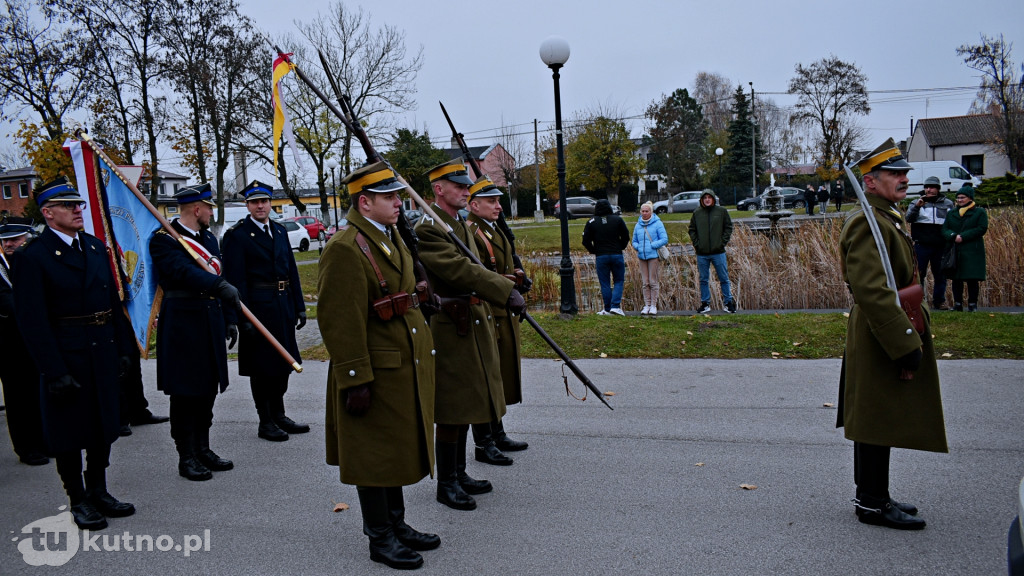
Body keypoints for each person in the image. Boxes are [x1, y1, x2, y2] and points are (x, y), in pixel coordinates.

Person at [319, 162, 439, 570]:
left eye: (398, 195)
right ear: (364, 201)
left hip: (397, 364)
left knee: (391, 450)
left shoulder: (385, 235)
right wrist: (355, 379)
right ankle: (380, 538)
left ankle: (397, 524)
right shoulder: (346, 246)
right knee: (372, 455)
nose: (398, 202)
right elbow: (339, 319)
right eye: (389, 197)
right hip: (371, 370)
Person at [13, 177, 137, 530]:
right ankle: (78, 498)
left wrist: (124, 348)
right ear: (48, 213)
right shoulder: (33, 257)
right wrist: (53, 370)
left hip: (102, 350)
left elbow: (113, 304)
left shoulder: (96, 248)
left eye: (78, 204)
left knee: (102, 426)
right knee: (69, 431)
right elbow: (32, 321)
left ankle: (99, 489)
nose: (77, 210)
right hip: (67, 354)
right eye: (68, 206)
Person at [836, 139, 947, 531]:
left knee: (876, 416)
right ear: (870, 183)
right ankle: (871, 502)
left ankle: (874, 495)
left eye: (904, 172)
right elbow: (872, 290)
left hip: (886, 328)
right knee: (875, 417)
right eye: (894, 174)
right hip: (880, 332)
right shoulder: (869, 222)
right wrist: (904, 341)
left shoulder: (888, 216)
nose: (904, 178)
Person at [415, 159, 522, 511]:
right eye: (458, 186)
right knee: (452, 407)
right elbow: (461, 270)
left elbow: (476, 267)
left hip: (472, 320)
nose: (465, 190)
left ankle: (459, 473)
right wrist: (504, 292)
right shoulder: (429, 228)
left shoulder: (457, 224)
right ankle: (446, 482)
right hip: (450, 325)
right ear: (438, 190)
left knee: (468, 402)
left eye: (465, 185)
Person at [150, 184, 240, 481]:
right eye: (210, 208)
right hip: (182, 324)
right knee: (186, 393)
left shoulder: (210, 240)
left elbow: (221, 276)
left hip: (210, 320)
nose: (212, 213)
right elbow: (181, 271)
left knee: (207, 390)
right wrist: (217, 287)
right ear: (197, 209)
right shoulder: (164, 239)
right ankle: (186, 455)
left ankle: (203, 448)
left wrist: (229, 318)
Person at [222, 180, 308, 442]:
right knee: (262, 368)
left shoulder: (280, 232)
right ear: (247, 205)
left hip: (282, 306)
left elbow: (291, 271)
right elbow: (235, 281)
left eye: (265, 201)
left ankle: (279, 414)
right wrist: (240, 317)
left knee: (284, 363)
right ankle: (266, 420)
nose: (261, 206)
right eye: (255, 202)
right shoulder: (237, 236)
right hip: (257, 310)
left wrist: (300, 307)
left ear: (271, 203)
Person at [465, 176, 530, 465]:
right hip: (487, 312)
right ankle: (485, 442)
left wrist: (518, 277)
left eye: (498, 200)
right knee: (485, 379)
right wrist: (508, 285)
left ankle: (497, 431)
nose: (497, 205)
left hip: (501, 312)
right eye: (491, 201)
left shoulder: (492, 229)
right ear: (474, 204)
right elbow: (479, 275)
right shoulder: (471, 231)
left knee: (498, 376)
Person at [0, 218, 48, 465]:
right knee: (18, 396)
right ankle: (26, 447)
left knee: (38, 390)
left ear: (27, 237)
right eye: (5, 240)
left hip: (34, 336)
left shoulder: (32, 259)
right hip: (9, 341)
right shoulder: (1, 267)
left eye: (14, 239)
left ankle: (43, 440)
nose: (9, 244)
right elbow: (7, 300)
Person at [906, 176, 956, 310]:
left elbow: (952, 222)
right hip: (922, 245)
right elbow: (909, 218)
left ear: (938, 189)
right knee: (919, 274)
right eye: (927, 187)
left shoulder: (948, 204)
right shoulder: (916, 202)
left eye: (932, 187)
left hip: (940, 245)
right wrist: (917, 207)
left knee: (940, 275)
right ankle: (919, 301)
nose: (929, 190)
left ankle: (939, 301)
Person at [942, 184, 988, 312]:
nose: (960, 200)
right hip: (955, 249)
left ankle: (972, 304)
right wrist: (953, 236)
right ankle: (958, 304)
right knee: (957, 278)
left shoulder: (979, 212)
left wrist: (963, 236)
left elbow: (981, 228)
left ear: (970, 198)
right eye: (958, 198)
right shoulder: (952, 213)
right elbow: (945, 229)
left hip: (972, 249)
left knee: (972, 278)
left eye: (963, 197)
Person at [689, 191, 736, 314]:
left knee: (724, 278)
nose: (707, 200)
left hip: (718, 252)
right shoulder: (697, 213)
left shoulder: (721, 212)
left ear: (713, 199)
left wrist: (722, 242)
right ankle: (705, 304)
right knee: (703, 279)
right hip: (702, 253)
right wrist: (697, 244)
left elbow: (728, 227)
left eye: (709, 197)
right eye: (705, 198)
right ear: (702, 200)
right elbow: (692, 230)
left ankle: (728, 303)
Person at [582, 199, 629, 316]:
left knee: (605, 283)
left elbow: (585, 241)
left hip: (601, 256)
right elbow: (626, 236)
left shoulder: (592, 222)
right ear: (609, 207)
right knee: (618, 280)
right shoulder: (617, 220)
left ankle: (607, 308)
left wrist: (594, 251)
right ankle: (615, 306)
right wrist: (621, 247)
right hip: (616, 254)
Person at [631, 201, 668, 316]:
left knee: (653, 281)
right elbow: (634, 241)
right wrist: (638, 247)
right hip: (642, 256)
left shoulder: (658, 223)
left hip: (653, 256)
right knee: (645, 282)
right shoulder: (638, 225)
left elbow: (664, 239)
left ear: (651, 212)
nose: (644, 213)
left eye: (647, 211)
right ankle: (646, 305)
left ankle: (653, 305)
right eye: (642, 211)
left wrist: (652, 245)